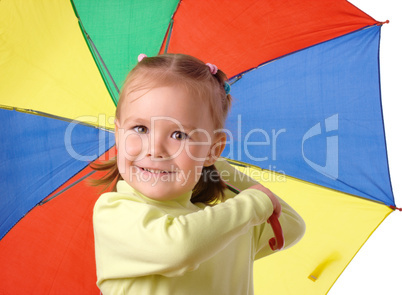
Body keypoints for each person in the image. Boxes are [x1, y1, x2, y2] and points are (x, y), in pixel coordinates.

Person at [92, 53, 305, 295]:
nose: (155, 149)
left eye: (179, 135)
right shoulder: (114, 212)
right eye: (140, 128)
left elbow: (290, 224)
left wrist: (212, 163)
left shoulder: (224, 222)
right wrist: (252, 203)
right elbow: (178, 247)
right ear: (118, 134)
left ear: (213, 149)